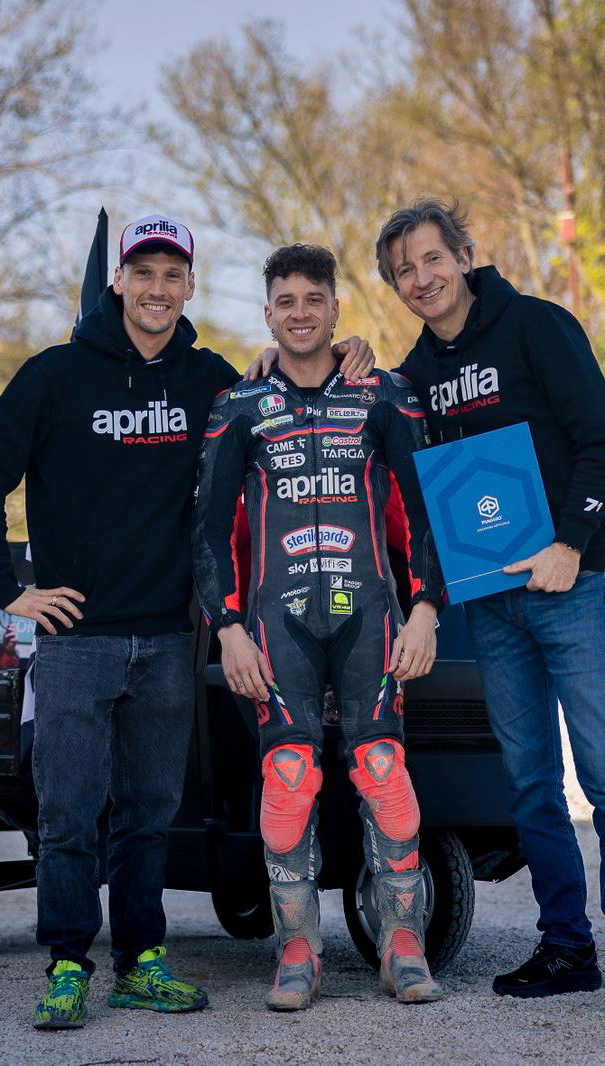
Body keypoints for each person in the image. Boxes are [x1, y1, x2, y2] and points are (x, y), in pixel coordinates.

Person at [0, 213, 374, 1030]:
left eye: (171, 275)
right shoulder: (54, 376)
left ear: (189, 286)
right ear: (119, 282)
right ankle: (67, 965)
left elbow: (281, 397)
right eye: (142, 273)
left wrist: (346, 353)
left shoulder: (209, 378)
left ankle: (141, 961)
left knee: (149, 814)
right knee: (71, 814)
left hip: (169, 640)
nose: (156, 288)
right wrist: (10, 591)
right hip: (78, 640)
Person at [373, 198, 605, 1013]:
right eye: (404, 271)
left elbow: (602, 444)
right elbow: (411, 475)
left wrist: (571, 543)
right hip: (491, 605)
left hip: (572, 588)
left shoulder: (538, 326)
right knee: (530, 783)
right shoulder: (415, 375)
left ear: (464, 256)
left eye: (433, 258)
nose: (422, 278)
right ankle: (566, 946)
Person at [192, 244, 446, 1011]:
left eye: (313, 299)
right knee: (288, 781)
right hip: (277, 624)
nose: (300, 312)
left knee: (384, 774)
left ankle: (403, 947)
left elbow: (427, 509)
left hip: (371, 617)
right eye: (286, 301)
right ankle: (297, 952)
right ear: (267, 314)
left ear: (336, 308)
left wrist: (427, 610)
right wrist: (227, 628)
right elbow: (207, 531)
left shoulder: (384, 394)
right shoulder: (240, 405)